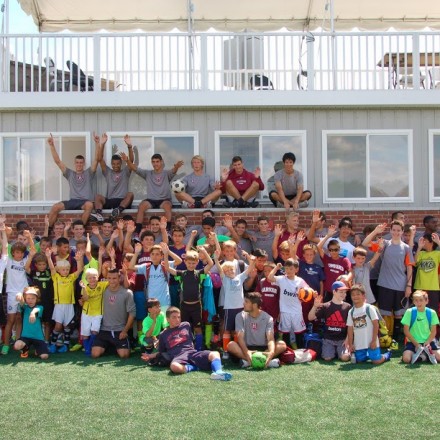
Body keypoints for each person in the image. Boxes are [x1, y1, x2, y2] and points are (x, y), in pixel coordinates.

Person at [142, 306, 232, 381]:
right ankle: (194, 367)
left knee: (215, 353)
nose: (177, 320)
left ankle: (219, 372)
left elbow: (191, 340)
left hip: (191, 352)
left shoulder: (186, 325)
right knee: (174, 366)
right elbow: (161, 352)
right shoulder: (163, 334)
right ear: (168, 319)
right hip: (178, 356)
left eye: (179, 317)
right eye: (174, 317)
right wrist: (150, 356)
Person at [363, 221, 414, 338]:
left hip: (400, 285)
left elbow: (409, 268)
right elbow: (365, 243)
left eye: (398, 230)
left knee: (398, 314)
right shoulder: (384, 244)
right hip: (384, 284)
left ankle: (396, 338)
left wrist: (408, 286)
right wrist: (376, 231)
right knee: (384, 313)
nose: (396, 232)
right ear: (390, 231)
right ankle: (385, 337)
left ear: (402, 232)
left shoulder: (406, 248)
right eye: (394, 230)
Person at [163, 247, 214, 351]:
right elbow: (168, 268)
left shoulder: (199, 273)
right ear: (185, 262)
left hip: (196, 306)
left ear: (197, 262)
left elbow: (211, 263)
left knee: (198, 328)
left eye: (193, 263)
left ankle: (199, 349)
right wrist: (166, 253)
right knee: (184, 329)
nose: (191, 265)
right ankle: (185, 348)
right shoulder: (182, 274)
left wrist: (204, 251)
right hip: (184, 305)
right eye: (189, 263)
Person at [47, 133, 99, 227]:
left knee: (90, 205)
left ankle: (80, 228)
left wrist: (97, 143)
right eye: (77, 162)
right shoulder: (70, 173)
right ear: (74, 163)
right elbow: (58, 161)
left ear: (83, 164)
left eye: (81, 163)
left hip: (84, 201)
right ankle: (48, 229)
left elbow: (96, 160)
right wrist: (51, 145)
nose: (79, 164)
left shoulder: (89, 173)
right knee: (55, 207)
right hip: (72, 201)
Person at [125, 152, 183, 234]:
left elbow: (173, 170)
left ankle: (168, 230)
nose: (155, 164)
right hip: (151, 199)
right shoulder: (148, 173)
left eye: (157, 161)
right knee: (141, 206)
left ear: (161, 162)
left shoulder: (166, 173)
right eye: (153, 162)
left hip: (164, 199)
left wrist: (176, 166)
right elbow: (135, 168)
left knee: (167, 206)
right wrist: (127, 161)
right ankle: (137, 232)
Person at [214, 249, 255, 359]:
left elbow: (250, 268)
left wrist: (250, 259)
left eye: (231, 269)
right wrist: (215, 258)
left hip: (240, 308)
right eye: (226, 270)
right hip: (229, 308)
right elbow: (219, 267)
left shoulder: (240, 277)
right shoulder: (224, 279)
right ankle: (226, 350)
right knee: (227, 330)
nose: (229, 272)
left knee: (238, 330)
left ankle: (238, 349)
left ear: (234, 269)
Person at [227, 292, 286, 368]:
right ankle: (265, 362)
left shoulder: (268, 318)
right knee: (231, 345)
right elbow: (240, 337)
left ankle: (249, 362)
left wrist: (271, 352)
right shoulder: (240, 316)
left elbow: (270, 339)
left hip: (264, 349)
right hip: (247, 347)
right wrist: (246, 351)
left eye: (246, 302)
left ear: (254, 305)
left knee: (282, 344)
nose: (243, 304)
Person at [267, 258, 312, 348]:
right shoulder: (281, 279)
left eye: (291, 269)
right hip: (285, 310)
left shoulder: (300, 280)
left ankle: (300, 349)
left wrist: (312, 292)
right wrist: (276, 268)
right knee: (285, 332)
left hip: (297, 311)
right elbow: (270, 278)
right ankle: (286, 350)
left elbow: (308, 289)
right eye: (286, 268)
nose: (288, 271)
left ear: (296, 269)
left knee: (298, 331)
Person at [91, 269, 136, 359]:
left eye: (114, 278)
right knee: (95, 354)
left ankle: (117, 345)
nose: (111, 281)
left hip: (120, 330)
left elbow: (132, 313)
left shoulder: (127, 293)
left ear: (119, 278)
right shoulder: (103, 290)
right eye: (109, 278)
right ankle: (112, 345)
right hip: (104, 329)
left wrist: (125, 331)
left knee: (124, 355)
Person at [46, 248, 84, 353]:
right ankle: (52, 344)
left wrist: (79, 260)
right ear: (58, 270)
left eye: (67, 269)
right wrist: (49, 257)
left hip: (69, 305)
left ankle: (65, 345)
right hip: (59, 305)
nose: (66, 271)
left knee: (67, 326)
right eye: (63, 269)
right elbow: (51, 268)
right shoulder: (56, 277)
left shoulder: (71, 277)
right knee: (58, 326)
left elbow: (80, 270)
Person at [346, 284, 392, 365]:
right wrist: (350, 344)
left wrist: (374, 341)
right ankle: (368, 354)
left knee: (376, 361)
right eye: (353, 295)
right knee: (359, 360)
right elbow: (350, 329)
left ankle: (386, 355)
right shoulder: (351, 312)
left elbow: (376, 325)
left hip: (371, 342)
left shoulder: (369, 308)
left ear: (363, 296)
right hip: (359, 344)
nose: (355, 296)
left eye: (358, 294)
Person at [93, 133, 134, 222]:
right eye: (114, 164)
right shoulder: (108, 172)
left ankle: (118, 210)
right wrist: (102, 144)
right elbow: (100, 159)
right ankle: (99, 214)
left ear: (121, 164)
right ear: (111, 164)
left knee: (130, 194)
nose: (116, 166)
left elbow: (131, 160)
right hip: (110, 200)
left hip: (122, 201)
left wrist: (129, 146)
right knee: (97, 197)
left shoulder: (125, 172)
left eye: (118, 163)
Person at [308, 281, 351, 362]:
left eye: (345, 292)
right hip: (328, 339)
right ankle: (331, 352)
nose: (344, 294)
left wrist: (347, 339)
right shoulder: (326, 306)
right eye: (341, 292)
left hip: (342, 340)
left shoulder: (347, 306)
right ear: (334, 292)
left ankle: (341, 352)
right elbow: (310, 318)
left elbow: (350, 326)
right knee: (327, 358)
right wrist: (315, 306)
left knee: (345, 358)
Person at [401, 290, 440, 364]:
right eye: (416, 300)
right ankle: (423, 356)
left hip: (429, 342)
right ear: (414, 302)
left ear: (427, 301)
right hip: (413, 342)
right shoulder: (409, 312)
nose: (418, 303)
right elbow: (406, 331)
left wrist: (428, 342)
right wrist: (416, 344)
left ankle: (424, 353)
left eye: (421, 300)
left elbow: (433, 331)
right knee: (406, 359)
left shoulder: (432, 312)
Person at [79, 267, 108, 356]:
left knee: (95, 331)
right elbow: (86, 298)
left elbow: (110, 280)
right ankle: (88, 350)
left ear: (98, 277)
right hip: (86, 313)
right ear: (86, 279)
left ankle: (89, 349)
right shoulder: (85, 288)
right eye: (89, 278)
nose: (92, 279)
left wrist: (109, 267)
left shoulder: (102, 285)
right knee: (85, 334)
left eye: (94, 277)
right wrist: (84, 288)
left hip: (98, 313)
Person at [14, 287, 49, 360]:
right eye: (28, 298)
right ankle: (25, 350)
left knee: (44, 356)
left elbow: (37, 309)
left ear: (37, 299)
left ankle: (37, 350)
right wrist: (19, 294)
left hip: (38, 337)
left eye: (33, 298)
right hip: (25, 337)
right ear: (25, 299)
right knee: (17, 345)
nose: (30, 300)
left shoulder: (40, 307)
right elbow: (21, 301)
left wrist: (32, 313)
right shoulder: (24, 307)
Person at [414, 233, 440, 316]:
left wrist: (439, 242)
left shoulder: (437, 254)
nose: (423, 242)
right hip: (419, 287)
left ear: (431, 242)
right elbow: (414, 262)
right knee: (419, 311)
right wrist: (419, 247)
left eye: (425, 241)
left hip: (433, 288)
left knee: (432, 312)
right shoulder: (421, 253)